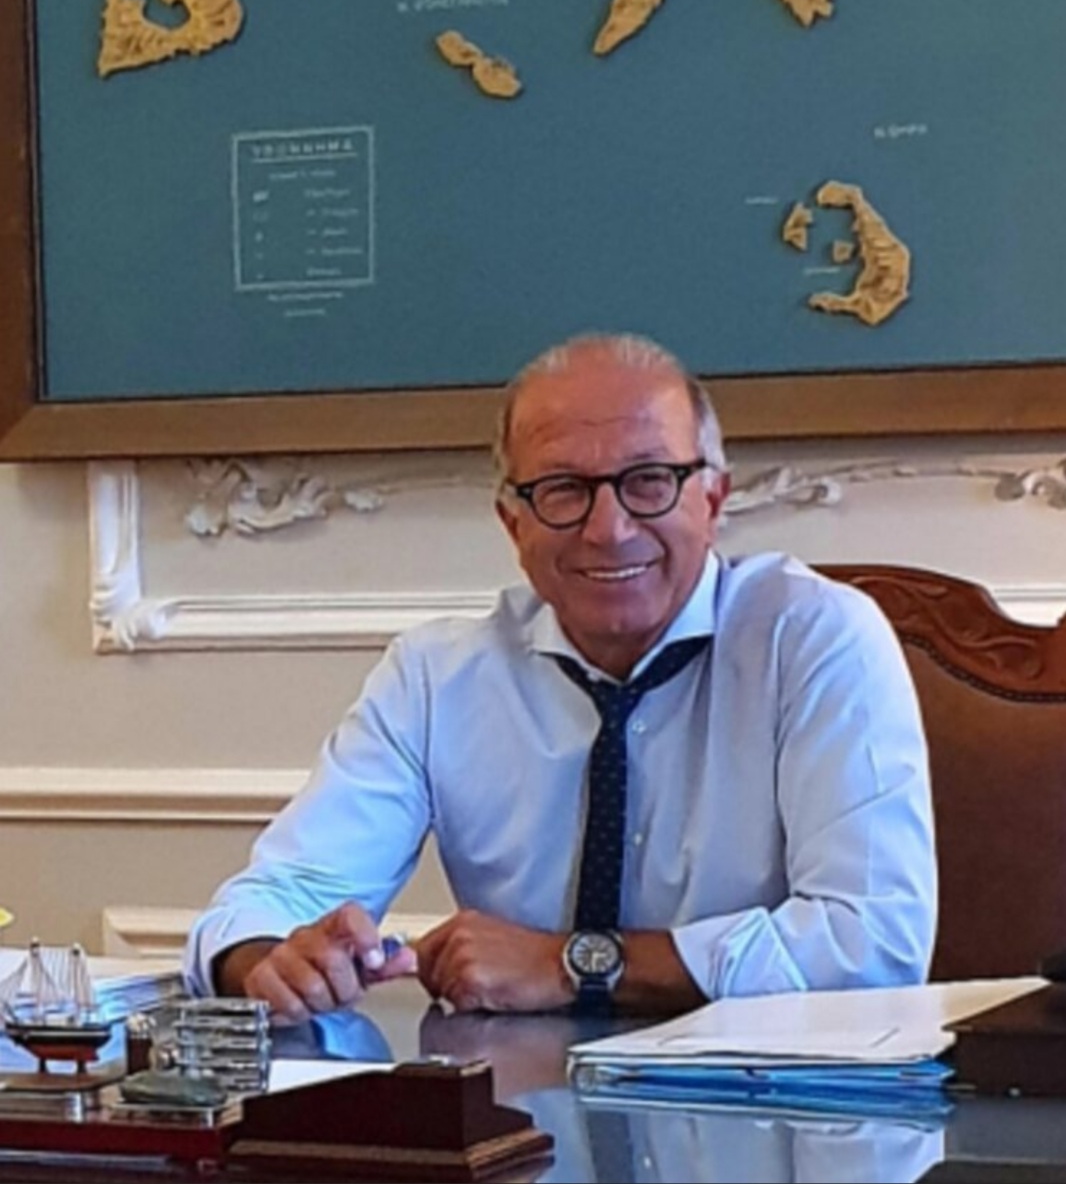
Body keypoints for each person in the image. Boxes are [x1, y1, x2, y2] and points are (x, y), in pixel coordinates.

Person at [184, 333, 936, 1023]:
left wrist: (572, 965)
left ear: (713, 499)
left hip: (774, 1108)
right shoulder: (436, 678)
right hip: (517, 1114)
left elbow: (873, 943)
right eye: (564, 489)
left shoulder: (815, 639)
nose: (609, 529)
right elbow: (272, 899)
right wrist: (269, 963)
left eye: (650, 480)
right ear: (513, 524)